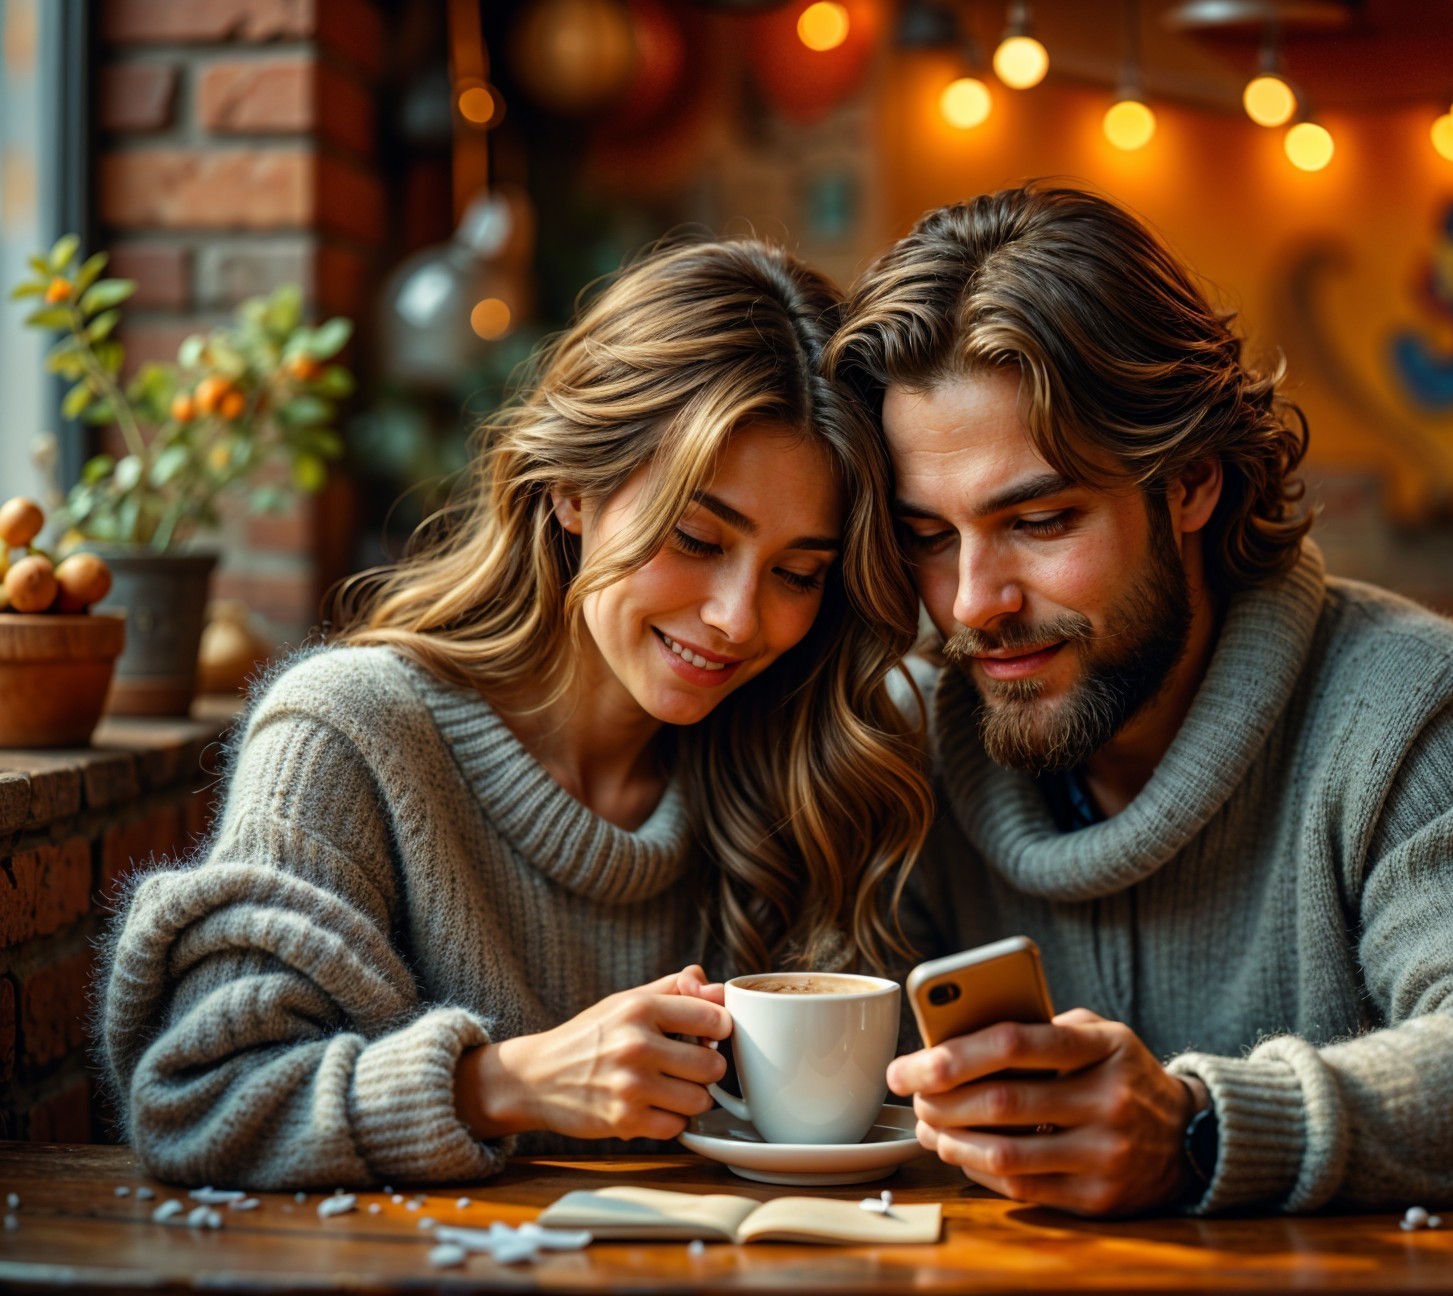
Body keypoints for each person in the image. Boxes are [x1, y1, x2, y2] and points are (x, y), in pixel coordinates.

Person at [828, 185, 1453, 1217]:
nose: (974, 603)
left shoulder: (1410, 706)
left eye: (1045, 519)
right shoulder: (910, 744)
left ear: (1191, 482)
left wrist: (1202, 1128)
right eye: (930, 536)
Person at [97, 239, 932, 1189]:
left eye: (798, 574)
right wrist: (498, 1084)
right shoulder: (348, 734)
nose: (740, 618)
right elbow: (195, 1104)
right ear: (573, 491)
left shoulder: (794, 765)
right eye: (697, 537)